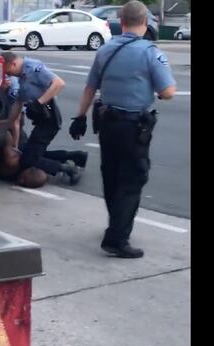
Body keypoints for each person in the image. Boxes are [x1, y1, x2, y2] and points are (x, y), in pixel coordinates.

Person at [69, 0, 176, 258]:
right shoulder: (150, 52)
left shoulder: (105, 49)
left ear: (122, 21)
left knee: (112, 174)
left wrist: (79, 116)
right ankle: (117, 239)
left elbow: (89, 88)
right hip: (133, 126)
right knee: (133, 178)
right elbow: (168, 92)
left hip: (106, 122)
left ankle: (116, 223)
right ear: (146, 22)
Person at [2, 51, 87, 185]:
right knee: (32, 153)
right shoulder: (22, 76)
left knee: (28, 160)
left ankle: (69, 169)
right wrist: (7, 123)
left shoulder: (33, 68)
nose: (8, 75)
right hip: (41, 120)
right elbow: (18, 103)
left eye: (9, 72)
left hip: (49, 119)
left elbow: (59, 83)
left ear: (13, 63)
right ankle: (75, 156)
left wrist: (39, 102)